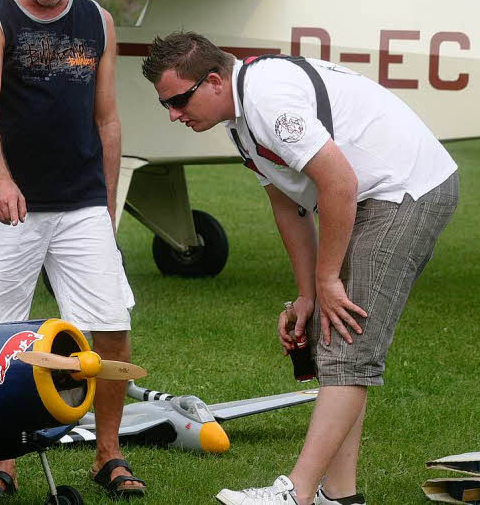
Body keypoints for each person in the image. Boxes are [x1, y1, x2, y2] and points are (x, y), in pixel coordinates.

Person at [140, 32, 458, 505]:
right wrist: (308, 294)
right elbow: (288, 205)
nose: (173, 114)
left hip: (403, 190)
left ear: (212, 81)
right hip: (370, 195)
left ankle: (298, 494)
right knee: (336, 337)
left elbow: (339, 183)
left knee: (348, 346)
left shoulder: (267, 100)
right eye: (166, 104)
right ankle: (340, 496)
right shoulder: (238, 116)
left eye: (179, 100)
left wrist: (328, 279)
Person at [0, 0, 143, 499]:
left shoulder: (98, 21)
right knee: (3, 336)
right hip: (7, 202)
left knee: (111, 327)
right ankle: (4, 461)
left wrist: (107, 205)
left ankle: (107, 455)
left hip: (81, 202)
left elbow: (108, 118)